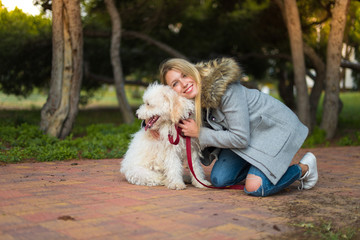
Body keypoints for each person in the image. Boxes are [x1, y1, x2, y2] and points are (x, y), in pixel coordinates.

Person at [151, 57, 318, 197]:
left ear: (193, 71)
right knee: (219, 179)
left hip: (273, 131)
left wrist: (199, 133)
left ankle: (304, 168)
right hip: (248, 138)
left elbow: (240, 138)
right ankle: (259, 166)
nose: (183, 84)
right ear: (171, 90)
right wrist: (150, 124)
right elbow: (162, 105)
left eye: (185, 75)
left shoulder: (226, 90)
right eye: (175, 83)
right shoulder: (189, 100)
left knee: (255, 188)